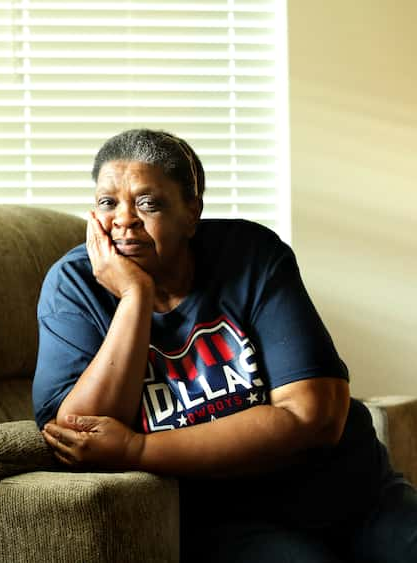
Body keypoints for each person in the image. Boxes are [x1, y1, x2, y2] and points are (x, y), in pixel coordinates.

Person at [32, 129, 417, 563]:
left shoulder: (251, 256)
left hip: (356, 495)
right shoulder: (74, 286)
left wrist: (136, 449)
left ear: (191, 213)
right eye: (107, 202)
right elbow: (78, 431)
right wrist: (135, 299)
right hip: (224, 520)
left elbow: (315, 416)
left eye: (148, 203)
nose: (124, 220)